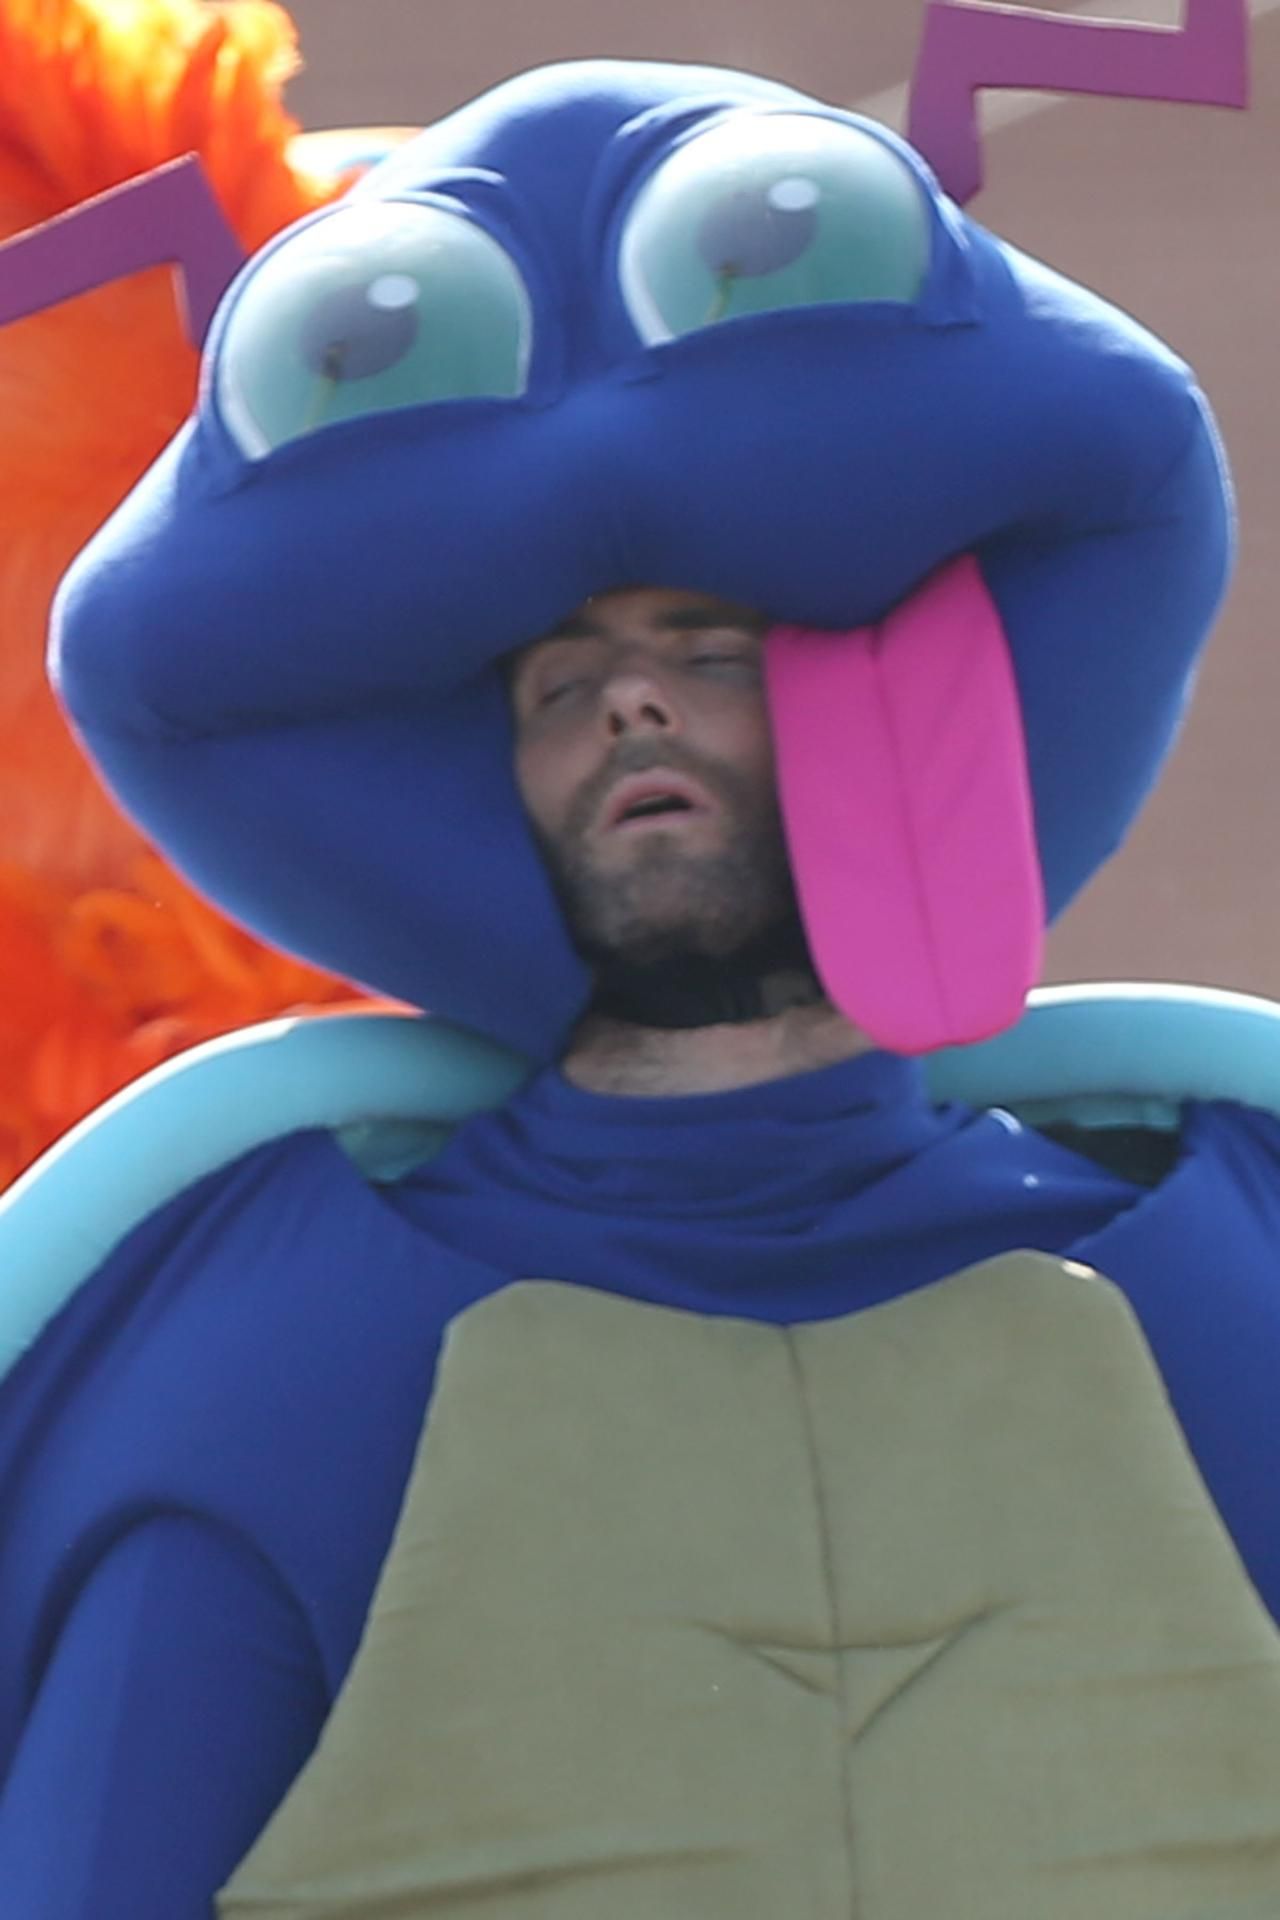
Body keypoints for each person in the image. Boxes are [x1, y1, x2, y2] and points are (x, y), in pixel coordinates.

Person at [3, 53, 1280, 1920]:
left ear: (877, 714)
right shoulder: (276, 1353)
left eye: (709, 647)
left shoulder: (1219, 1274)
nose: (632, 702)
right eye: (559, 682)